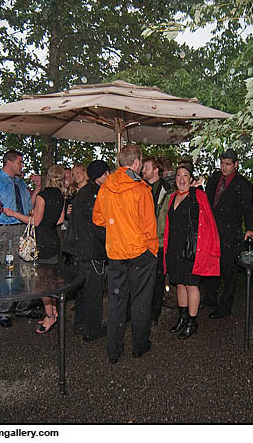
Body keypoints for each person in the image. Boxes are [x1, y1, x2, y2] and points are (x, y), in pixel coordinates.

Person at [93, 144, 158, 363]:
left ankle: (113, 350)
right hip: (140, 252)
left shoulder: (105, 187)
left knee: (116, 301)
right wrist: (153, 250)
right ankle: (139, 346)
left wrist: (117, 227)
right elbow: (150, 226)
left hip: (115, 253)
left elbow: (98, 219)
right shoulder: (141, 189)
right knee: (140, 301)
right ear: (137, 162)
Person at [0, 150, 43, 328]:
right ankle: (4, 311)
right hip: (5, 231)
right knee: (10, 272)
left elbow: (29, 205)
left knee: (27, 270)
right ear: (9, 162)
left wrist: (37, 189)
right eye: (20, 162)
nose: (22, 166)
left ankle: (23, 308)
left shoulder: (19, 182)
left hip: (23, 230)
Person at [4, 164, 66, 333]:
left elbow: (35, 222)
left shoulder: (42, 196)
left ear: (48, 177)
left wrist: (13, 214)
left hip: (41, 243)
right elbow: (60, 220)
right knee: (51, 279)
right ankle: (54, 312)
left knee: (41, 284)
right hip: (53, 241)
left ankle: (49, 317)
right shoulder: (61, 195)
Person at [164, 161, 220, 339]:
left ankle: (192, 321)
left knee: (191, 284)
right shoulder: (173, 197)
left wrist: (196, 190)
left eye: (185, 175)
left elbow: (208, 222)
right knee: (179, 283)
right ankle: (182, 317)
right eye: (179, 175)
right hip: (174, 248)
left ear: (191, 179)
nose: (181, 179)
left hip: (191, 250)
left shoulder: (197, 195)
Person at [202, 148, 253, 319]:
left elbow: (249, 210)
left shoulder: (243, 185)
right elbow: (206, 201)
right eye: (222, 164)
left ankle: (225, 306)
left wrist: (250, 228)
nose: (224, 167)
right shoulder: (214, 179)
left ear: (236, 164)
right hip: (212, 232)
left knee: (229, 271)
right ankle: (210, 298)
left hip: (230, 234)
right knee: (211, 266)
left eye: (227, 164)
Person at [62, 160, 110, 343]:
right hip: (89, 250)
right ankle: (91, 330)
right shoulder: (95, 194)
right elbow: (97, 226)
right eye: (106, 173)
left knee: (82, 290)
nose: (108, 177)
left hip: (77, 250)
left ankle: (80, 325)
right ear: (101, 175)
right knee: (93, 292)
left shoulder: (84, 192)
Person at [141, 156, 174, 325]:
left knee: (159, 279)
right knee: (143, 279)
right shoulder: (139, 188)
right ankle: (142, 312)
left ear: (156, 170)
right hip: (142, 242)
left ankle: (154, 314)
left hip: (160, 242)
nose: (142, 170)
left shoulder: (168, 190)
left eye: (146, 167)